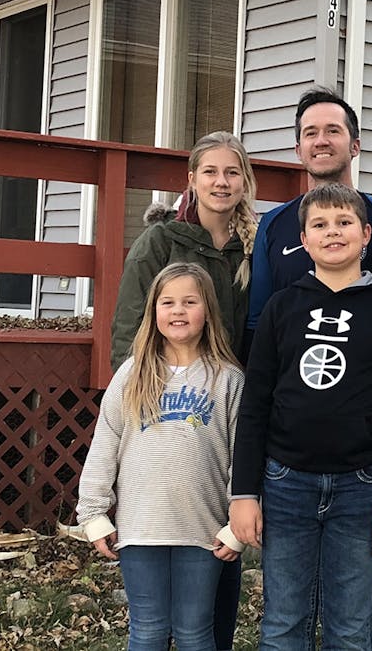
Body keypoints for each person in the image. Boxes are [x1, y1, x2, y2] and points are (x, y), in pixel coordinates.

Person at [229, 183, 372, 651]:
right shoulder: (281, 308)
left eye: (343, 223)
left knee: (351, 627)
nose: (332, 232)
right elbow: (254, 406)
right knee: (282, 624)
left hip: (362, 489)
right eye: (319, 224)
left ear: (365, 234)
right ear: (304, 240)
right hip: (285, 483)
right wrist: (243, 493)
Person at [109, 130, 257, 651]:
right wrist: (139, 406)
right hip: (165, 408)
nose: (221, 182)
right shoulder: (162, 242)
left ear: (244, 181)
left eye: (232, 172)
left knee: (217, 569)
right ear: (191, 179)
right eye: (210, 171)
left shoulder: (254, 246)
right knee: (150, 623)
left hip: (227, 407)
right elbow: (131, 329)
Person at [76, 263, 246, 651]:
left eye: (190, 301)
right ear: (154, 311)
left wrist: (237, 525)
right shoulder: (132, 374)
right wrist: (93, 513)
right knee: (148, 629)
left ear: (208, 311)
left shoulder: (228, 379)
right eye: (167, 302)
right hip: (140, 528)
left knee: (194, 632)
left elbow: (243, 456)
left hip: (204, 531)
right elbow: (106, 441)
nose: (178, 311)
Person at [244, 88, 372, 353]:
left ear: (355, 145)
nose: (321, 141)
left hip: (367, 382)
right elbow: (257, 320)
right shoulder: (273, 224)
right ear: (299, 150)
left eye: (333, 130)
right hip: (291, 384)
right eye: (311, 133)